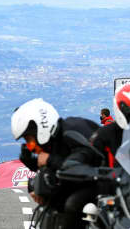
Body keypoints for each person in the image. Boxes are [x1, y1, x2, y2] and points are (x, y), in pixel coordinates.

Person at [11, 98, 99, 229]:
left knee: (73, 204)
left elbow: (79, 166)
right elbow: (59, 170)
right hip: (87, 185)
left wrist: (50, 160)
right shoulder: (55, 141)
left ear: (39, 128)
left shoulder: (73, 131)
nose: (30, 146)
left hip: (103, 185)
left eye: (29, 139)